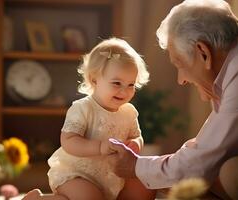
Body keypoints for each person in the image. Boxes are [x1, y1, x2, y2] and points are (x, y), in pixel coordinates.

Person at [108, 0, 238, 199]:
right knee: (208, 177)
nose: (181, 80)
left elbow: (202, 161)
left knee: (235, 172)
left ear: (203, 52)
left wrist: (135, 166)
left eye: (180, 64)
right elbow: (205, 151)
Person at [23, 38, 155, 200]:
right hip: (78, 175)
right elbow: (68, 140)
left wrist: (135, 144)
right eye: (117, 83)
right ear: (94, 80)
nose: (124, 91)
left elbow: (136, 135)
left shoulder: (129, 112)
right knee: (89, 197)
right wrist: (99, 147)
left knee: (145, 184)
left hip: (113, 176)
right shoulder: (83, 108)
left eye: (131, 85)